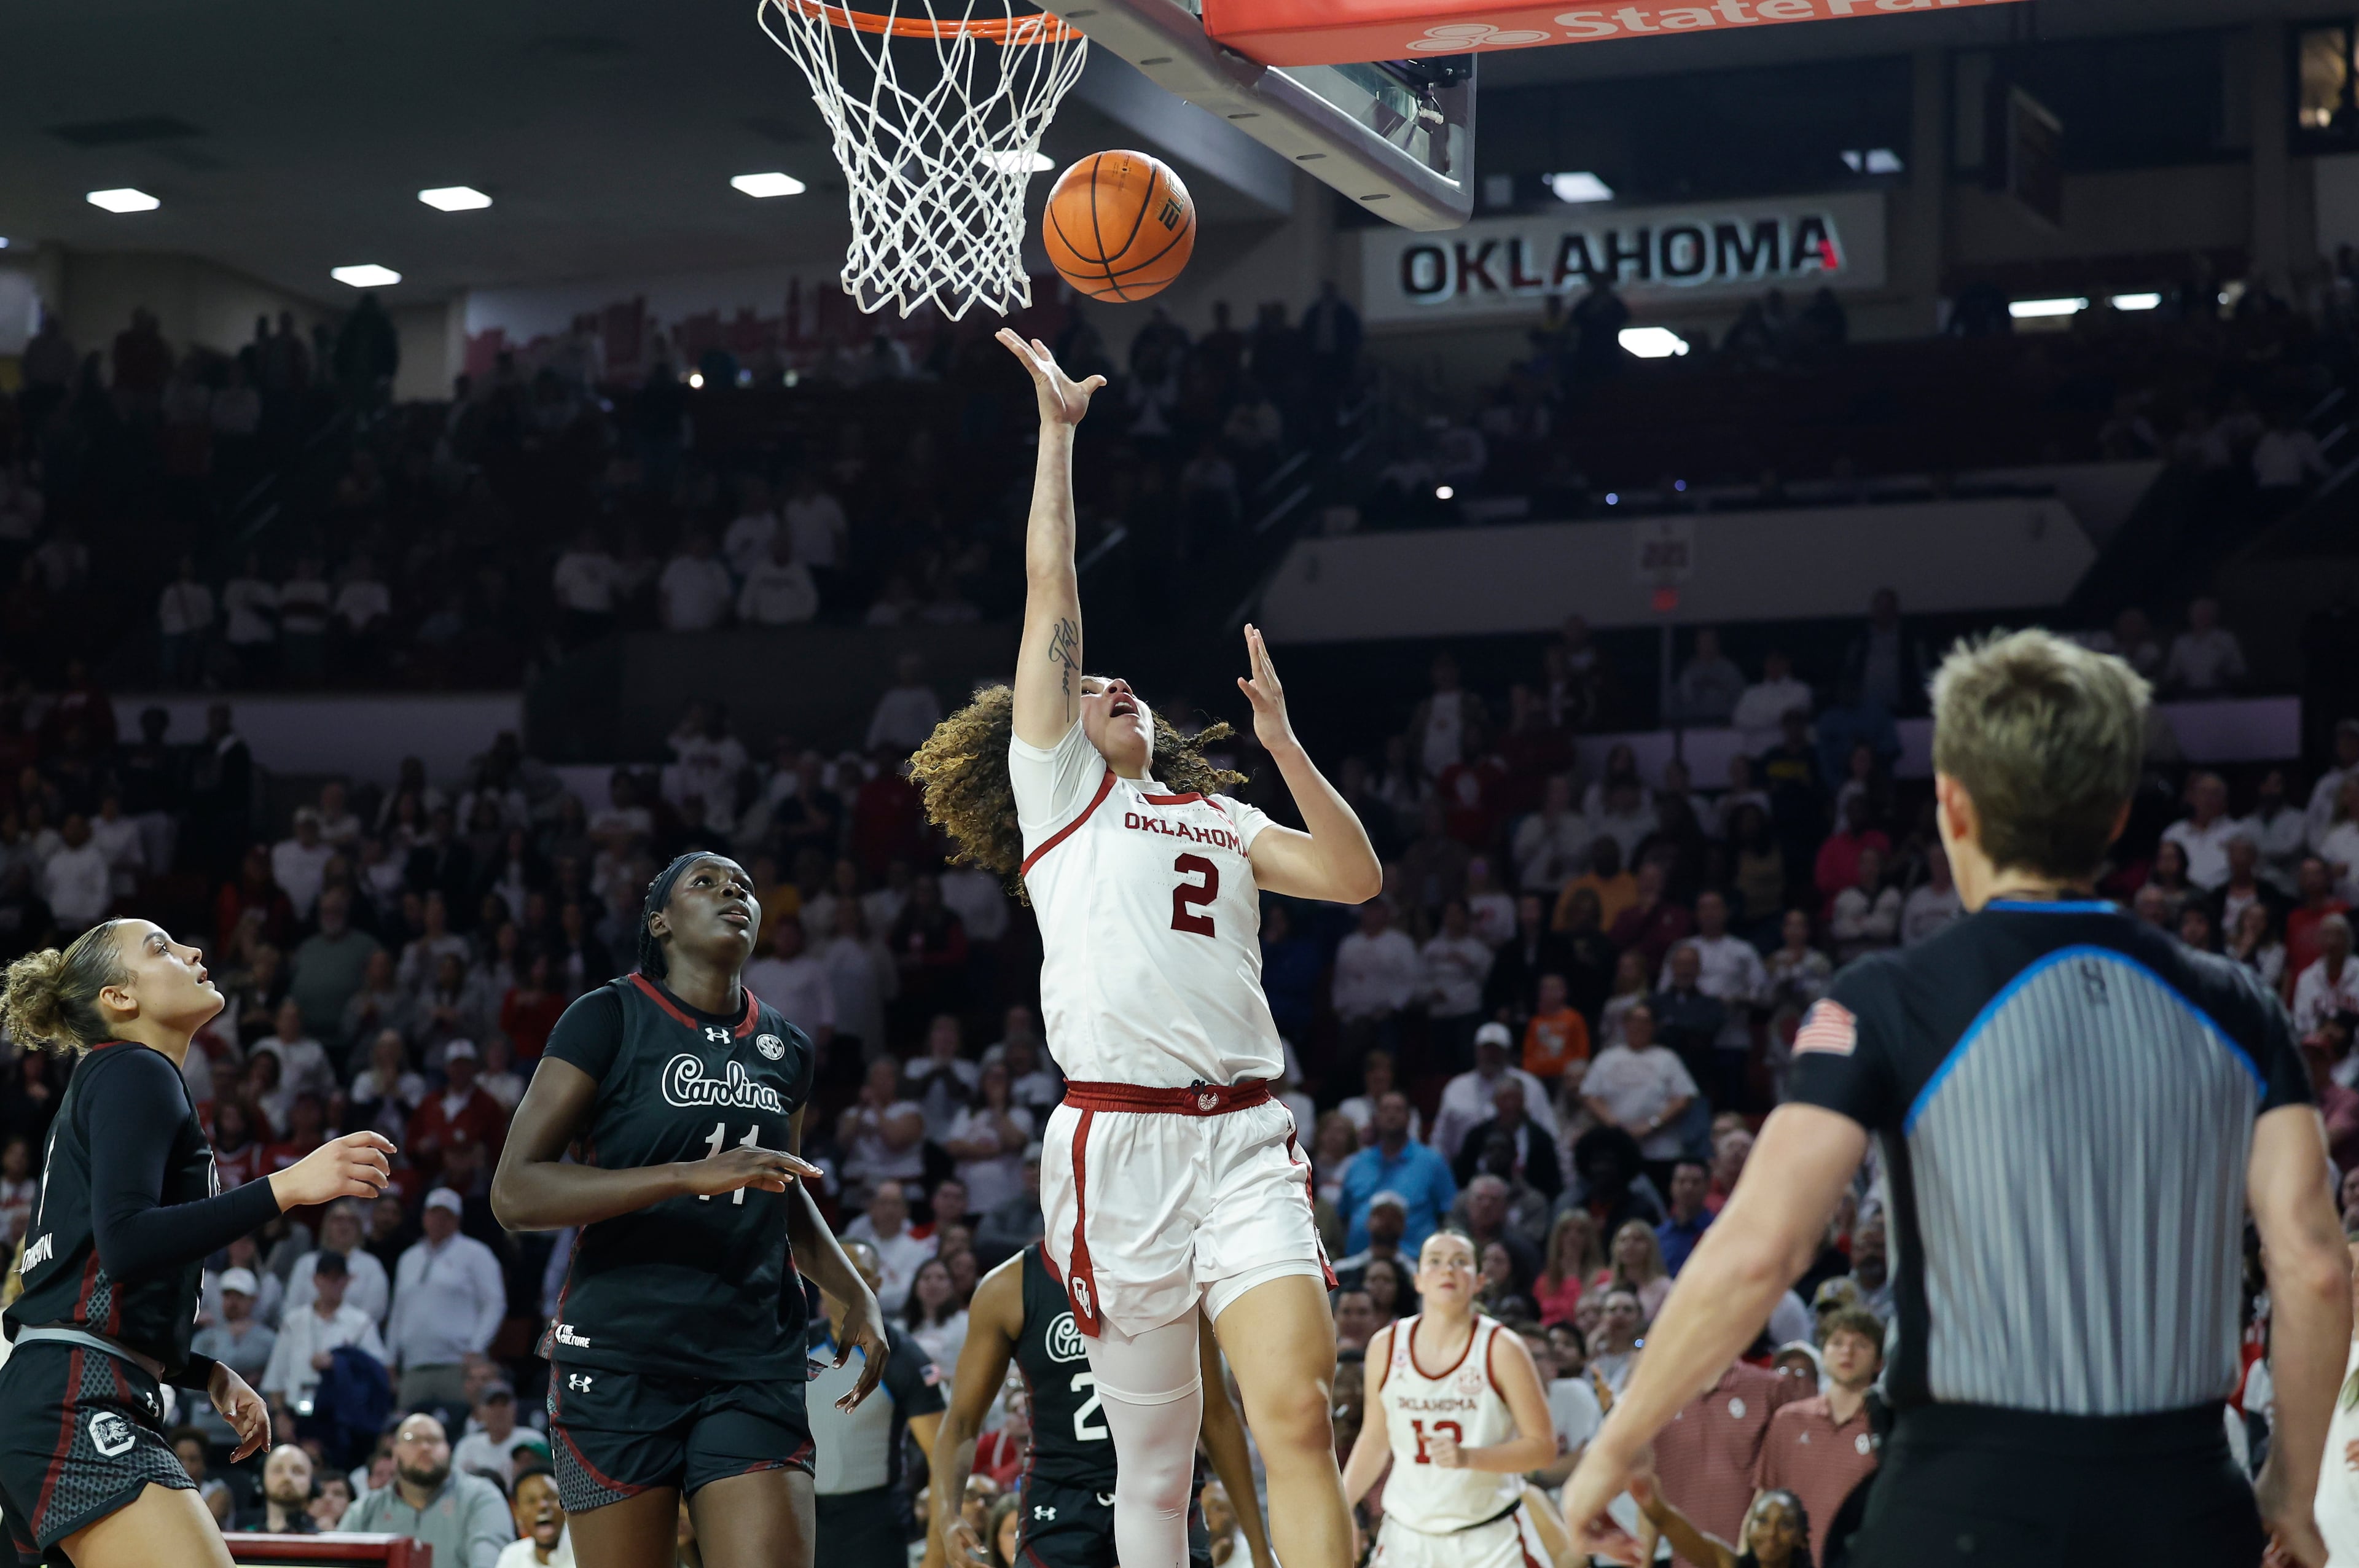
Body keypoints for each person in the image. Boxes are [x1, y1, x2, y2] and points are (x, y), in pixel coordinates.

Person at [1562, 629, 2350, 1568]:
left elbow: (1761, 1250)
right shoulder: (2240, 1005)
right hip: (2182, 1500)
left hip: (1968, 1501)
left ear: (1952, 805)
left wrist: (1616, 1442)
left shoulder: (1890, 999)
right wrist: (2291, 1490)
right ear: (2115, 815)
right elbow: (2312, 1267)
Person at [907, 332, 1384, 1568]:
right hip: (1113, 1141)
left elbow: (1353, 875)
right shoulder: (1060, 793)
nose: (1110, 682)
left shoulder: (1220, 814)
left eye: (1128, 684)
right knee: (1156, 1461)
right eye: (1092, 684)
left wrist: (1284, 745)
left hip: (1241, 1136)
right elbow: (1054, 593)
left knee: (1293, 1416)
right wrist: (1059, 439)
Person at [490, 851, 886, 1568]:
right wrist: (685, 1177)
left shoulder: (787, 1046)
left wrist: (848, 1284)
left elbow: (779, 1184)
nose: (733, 891)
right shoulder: (607, 1017)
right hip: (620, 1356)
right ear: (660, 922)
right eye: (704, 882)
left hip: (752, 1354)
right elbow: (515, 1192)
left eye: (744, 885)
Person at [0, 919, 393, 1568]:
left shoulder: (112, 1080)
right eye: (160, 948)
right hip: (75, 1399)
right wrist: (287, 1187)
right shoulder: (135, 1069)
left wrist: (201, 1371)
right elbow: (126, 1244)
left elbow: (79, 1284)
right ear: (119, 999)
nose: (192, 952)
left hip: (53, 1390)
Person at [924, 1241, 1276, 1568]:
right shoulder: (1008, 1287)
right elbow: (960, 1423)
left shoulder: (1169, 1269)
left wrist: (1260, 1548)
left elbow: (1216, 1415)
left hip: (1164, 1490)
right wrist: (948, 1517)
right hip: (1061, 1498)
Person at [1340, 1229, 1557, 1568]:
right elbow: (1375, 1439)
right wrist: (1342, 1507)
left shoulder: (1503, 1348)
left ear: (1479, 1280)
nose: (1448, 1270)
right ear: (1418, 1280)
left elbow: (1543, 1448)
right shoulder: (1386, 1344)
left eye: (1460, 1262)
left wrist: (1468, 1457)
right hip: (1405, 1539)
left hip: (1489, 1539)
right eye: (1436, 1262)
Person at [807, 1240, 947, 1568]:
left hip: (876, 1522)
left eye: (858, 1272)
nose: (844, 1281)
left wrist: (936, 1552)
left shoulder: (904, 1356)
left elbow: (942, 1454)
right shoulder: (795, 1344)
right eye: (833, 1270)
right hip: (805, 1515)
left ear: (877, 1283)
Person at [1755, 1304, 1885, 1565]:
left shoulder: (1887, 1427)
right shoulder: (1787, 1420)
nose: (1847, 1351)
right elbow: (1761, 1502)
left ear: (1879, 1362)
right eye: (1837, 1343)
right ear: (1823, 1354)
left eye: (1860, 1344)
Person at [335, 1413, 515, 1568]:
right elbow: (337, 1563)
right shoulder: (366, 1509)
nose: (425, 1447)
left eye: (434, 1440)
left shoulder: (480, 1497)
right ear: (395, 1454)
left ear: (449, 1450)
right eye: (413, 1440)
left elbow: (489, 1563)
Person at [385, 1188, 506, 1416]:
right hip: (414, 1367)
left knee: (460, 1426)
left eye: (446, 1215)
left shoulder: (476, 1254)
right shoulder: (408, 1259)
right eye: (434, 1213)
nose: (439, 1220)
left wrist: (476, 1348)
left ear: (457, 1220)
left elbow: (494, 1303)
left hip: (458, 1365)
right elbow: (398, 1311)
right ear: (424, 1217)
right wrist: (390, 1358)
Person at [1625, 1475, 1813, 1568]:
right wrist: (1648, 1500)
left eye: (1785, 1524)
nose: (1771, 1533)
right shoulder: (1728, 1563)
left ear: (1800, 1537)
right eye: (1762, 1521)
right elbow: (1671, 1524)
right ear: (1749, 1527)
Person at [496, 1465, 574, 1568]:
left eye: (550, 1497)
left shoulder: (586, 1550)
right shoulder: (511, 1557)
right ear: (517, 1513)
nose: (542, 1506)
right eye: (531, 1501)